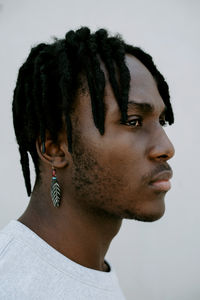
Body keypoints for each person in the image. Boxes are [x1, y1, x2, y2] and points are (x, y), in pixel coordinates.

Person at [0, 27, 175, 299]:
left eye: (161, 122)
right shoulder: (10, 283)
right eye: (133, 121)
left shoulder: (91, 272)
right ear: (55, 149)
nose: (166, 148)